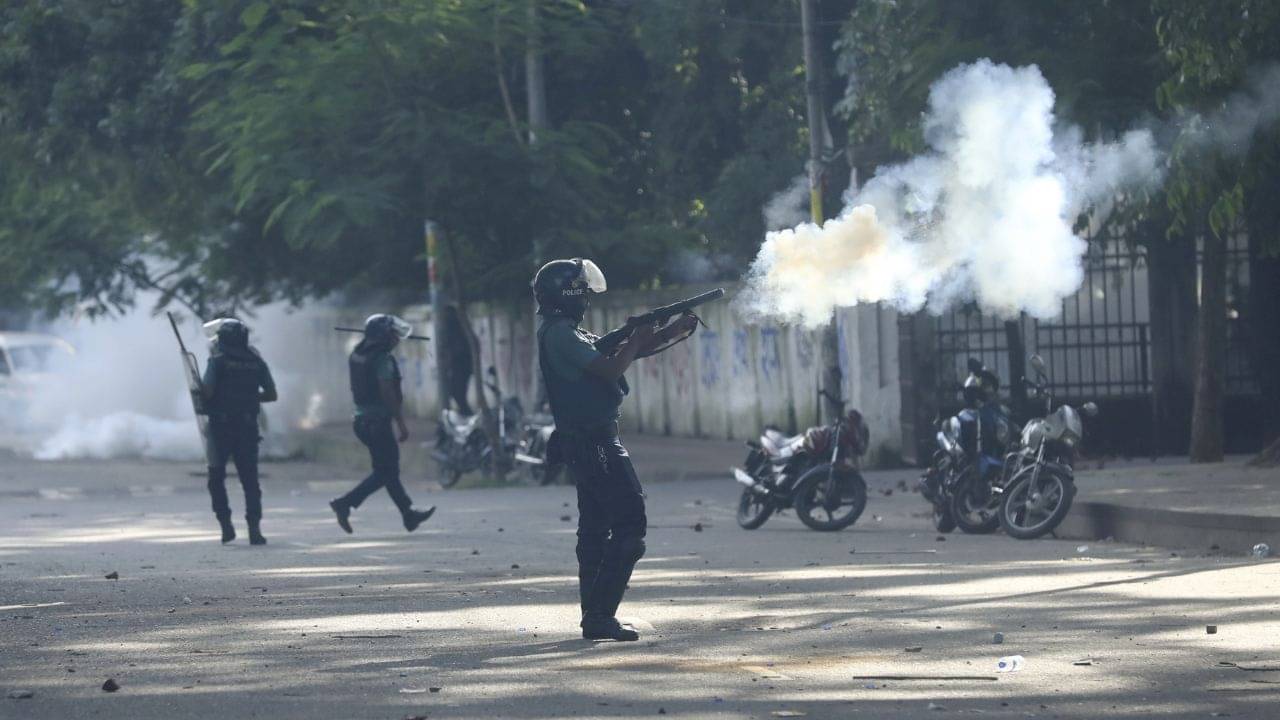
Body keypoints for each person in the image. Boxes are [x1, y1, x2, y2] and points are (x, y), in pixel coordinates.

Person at [533, 258, 697, 641]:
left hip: (587, 440)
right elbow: (610, 369)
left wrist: (668, 331)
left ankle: (595, 615)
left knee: (595, 529)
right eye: (583, 292)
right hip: (595, 441)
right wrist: (637, 338)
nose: (587, 299)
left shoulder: (567, 332)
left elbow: (622, 354)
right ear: (569, 294)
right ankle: (601, 615)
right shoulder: (559, 334)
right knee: (629, 526)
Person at [329, 314, 436, 534]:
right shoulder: (383, 359)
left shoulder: (357, 353)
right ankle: (345, 503)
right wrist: (401, 422)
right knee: (386, 472)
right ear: (383, 336)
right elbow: (387, 392)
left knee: (387, 470)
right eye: (392, 334)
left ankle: (408, 514)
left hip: (360, 421)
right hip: (378, 423)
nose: (396, 338)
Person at [201, 318, 277, 545]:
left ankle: (226, 525)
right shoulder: (256, 361)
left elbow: (207, 391)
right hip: (247, 427)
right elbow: (272, 395)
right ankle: (254, 529)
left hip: (220, 427)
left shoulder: (217, 361)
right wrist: (250, 397)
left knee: (216, 477)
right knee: (250, 480)